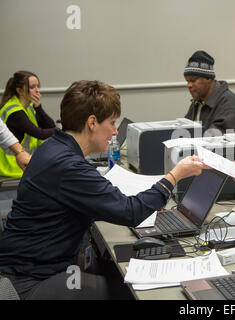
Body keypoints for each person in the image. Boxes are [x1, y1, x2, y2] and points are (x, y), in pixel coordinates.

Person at [0, 80, 207, 300]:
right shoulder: (68, 166)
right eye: (111, 122)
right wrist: (174, 176)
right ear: (92, 122)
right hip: (31, 280)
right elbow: (131, 212)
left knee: (109, 266)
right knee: (125, 292)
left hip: (30, 263)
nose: (115, 131)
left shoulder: (54, 148)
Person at [0, 71, 56, 177]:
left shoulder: (28, 108)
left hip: (25, 163)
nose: (37, 90)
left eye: (38, 86)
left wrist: (38, 107)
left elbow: (50, 126)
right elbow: (40, 133)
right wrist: (62, 129)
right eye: (32, 87)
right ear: (20, 90)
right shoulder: (15, 112)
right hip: (12, 167)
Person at [184, 50, 235, 135]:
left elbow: (218, 142)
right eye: (187, 81)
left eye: (193, 80)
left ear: (208, 78)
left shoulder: (229, 104)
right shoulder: (198, 101)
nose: (189, 85)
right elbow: (186, 128)